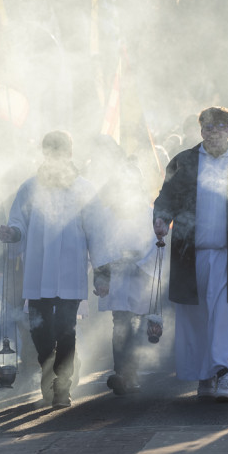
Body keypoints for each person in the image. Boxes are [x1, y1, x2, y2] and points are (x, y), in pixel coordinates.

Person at [153, 106, 228, 403]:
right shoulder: (185, 162)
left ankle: (227, 375)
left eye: (219, 127)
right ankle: (205, 375)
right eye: (207, 127)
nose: (213, 132)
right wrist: (161, 218)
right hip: (190, 254)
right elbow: (166, 198)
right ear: (201, 131)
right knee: (196, 319)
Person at [0, 131, 100, 408]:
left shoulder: (83, 189)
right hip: (39, 271)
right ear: (45, 154)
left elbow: (96, 231)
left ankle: (62, 384)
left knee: (66, 329)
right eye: (50, 152)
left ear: (69, 154)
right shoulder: (30, 188)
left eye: (60, 152)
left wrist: (102, 269)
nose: (55, 157)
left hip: (69, 271)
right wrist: (12, 233)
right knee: (39, 330)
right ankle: (50, 367)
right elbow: (18, 221)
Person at [92, 155, 159, 396]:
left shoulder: (148, 212)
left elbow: (156, 243)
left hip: (139, 275)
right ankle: (122, 372)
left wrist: (140, 265)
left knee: (136, 322)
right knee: (120, 322)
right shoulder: (106, 215)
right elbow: (99, 245)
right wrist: (105, 271)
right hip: (117, 275)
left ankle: (131, 371)